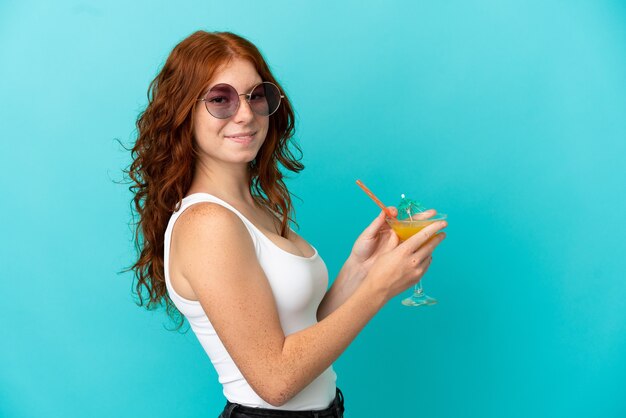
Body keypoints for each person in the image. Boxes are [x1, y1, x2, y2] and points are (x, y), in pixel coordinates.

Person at [126, 30, 447, 418]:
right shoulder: (208, 222)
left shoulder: (254, 209)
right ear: (183, 111)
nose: (244, 114)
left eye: (256, 95)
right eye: (220, 99)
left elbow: (304, 336)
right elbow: (276, 381)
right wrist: (379, 289)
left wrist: (362, 268)